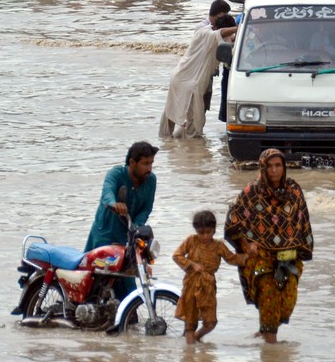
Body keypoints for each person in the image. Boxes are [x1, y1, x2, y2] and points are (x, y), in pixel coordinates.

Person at [224, 148, 312, 343]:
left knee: (287, 304)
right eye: (270, 166)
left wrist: (302, 249)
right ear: (263, 168)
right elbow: (233, 223)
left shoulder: (294, 190)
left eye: (278, 165)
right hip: (262, 259)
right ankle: (271, 359)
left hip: (289, 258)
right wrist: (247, 246)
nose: (274, 171)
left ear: (284, 167)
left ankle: (265, 331)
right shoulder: (251, 192)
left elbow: (302, 220)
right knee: (269, 303)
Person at [86, 142, 158, 297]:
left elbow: (146, 208)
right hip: (105, 233)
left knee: (128, 281)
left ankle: (127, 316)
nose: (149, 168)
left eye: (151, 163)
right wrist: (114, 204)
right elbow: (107, 193)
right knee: (97, 278)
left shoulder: (151, 180)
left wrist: (136, 227)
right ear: (132, 163)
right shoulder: (116, 174)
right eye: (145, 164)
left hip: (128, 237)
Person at [160, 14, 238, 138]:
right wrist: (238, 27)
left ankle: (170, 142)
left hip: (185, 78)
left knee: (180, 113)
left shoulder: (215, 35)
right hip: (188, 80)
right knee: (185, 118)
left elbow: (231, 38)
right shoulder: (207, 33)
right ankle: (187, 149)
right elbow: (221, 33)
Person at [173, 209, 245, 344]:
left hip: (208, 285)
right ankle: (189, 354)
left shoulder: (219, 246)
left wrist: (247, 257)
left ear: (214, 230)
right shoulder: (191, 241)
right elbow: (176, 255)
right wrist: (192, 264)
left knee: (211, 322)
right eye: (201, 233)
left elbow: (232, 259)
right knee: (190, 321)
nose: (205, 236)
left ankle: (196, 338)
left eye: (208, 232)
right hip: (191, 284)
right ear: (196, 231)